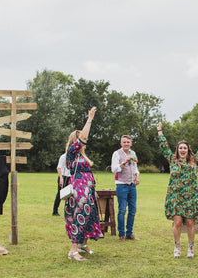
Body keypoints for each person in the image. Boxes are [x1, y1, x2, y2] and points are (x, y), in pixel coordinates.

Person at [157, 122, 198, 259]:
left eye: (185, 148)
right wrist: (160, 131)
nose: (182, 150)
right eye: (180, 148)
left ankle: (191, 246)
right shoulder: (172, 160)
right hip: (176, 197)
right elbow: (164, 147)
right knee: (177, 222)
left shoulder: (193, 161)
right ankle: (177, 246)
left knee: (190, 222)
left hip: (190, 197)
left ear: (188, 150)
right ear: (177, 150)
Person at [64, 107, 103, 261]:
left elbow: (89, 174)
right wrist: (90, 119)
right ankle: (73, 250)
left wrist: (93, 189)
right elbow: (83, 139)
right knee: (79, 216)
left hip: (88, 189)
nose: (85, 140)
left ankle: (82, 245)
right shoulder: (71, 153)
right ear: (75, 141)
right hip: (78, 190)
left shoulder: (82, 156)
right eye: (81, 138)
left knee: (90, 216)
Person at [111, 135, 140, 241]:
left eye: (128, 142)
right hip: (121, 184)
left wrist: (137, 176)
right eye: (124, 142)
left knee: (133, 210)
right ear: (121, 144)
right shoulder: (116, 154)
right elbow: (114, 169)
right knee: (122, 210)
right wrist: (124, 161)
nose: (126, 144)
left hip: (132, 185)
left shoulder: (133, 153)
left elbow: (135, 167)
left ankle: (129, 233)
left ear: (131, 143)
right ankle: (121, 234)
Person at [52, 152, 69, 216]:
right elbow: (59, 168)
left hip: (70, 177)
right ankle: (55, 211)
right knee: (59, 194)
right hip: (63, 177)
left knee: (70, 195)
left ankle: (68, 211)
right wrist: (61, 178)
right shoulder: (63, 157)